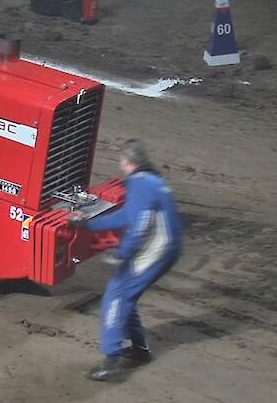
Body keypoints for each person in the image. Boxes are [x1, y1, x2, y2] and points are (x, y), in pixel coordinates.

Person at [70, 139, 183, 381]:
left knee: (116, 294)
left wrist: (122, 253)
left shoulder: (141, 184)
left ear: (128, 162)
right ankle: (140, 350)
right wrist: (89, 225)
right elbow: (127, 215)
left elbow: (139, 226)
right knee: (126, 294)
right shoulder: (151, 181)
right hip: (167, 247)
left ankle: (111, 360)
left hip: (157, 250)